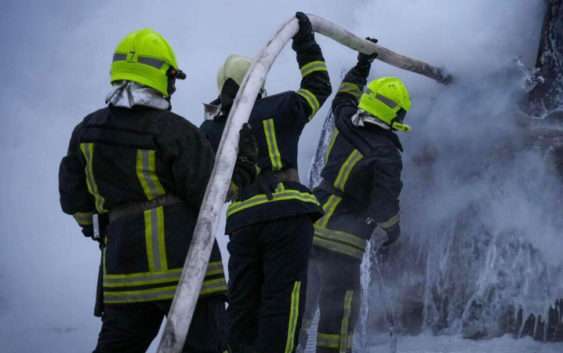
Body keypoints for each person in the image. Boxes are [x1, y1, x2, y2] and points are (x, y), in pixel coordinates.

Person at [58, 28, 257, 353]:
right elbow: (210, 194)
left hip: (123, 274)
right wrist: (245, 166)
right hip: (186, 272)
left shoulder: (86, 132)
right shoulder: (175, 131)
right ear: (161, 77)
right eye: (172, 80)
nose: (174, 88)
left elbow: (74, 200)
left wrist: (102, 228)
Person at [200, 12, 332, 353]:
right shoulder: (284, 106)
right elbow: (319, 86)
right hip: (288, 215)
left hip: (243, 220)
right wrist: (305, 42)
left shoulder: (212, 130)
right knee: (282, 302)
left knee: (242, 302)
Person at [303, 40, 411, 353]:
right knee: (340, 311)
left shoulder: (346, 120)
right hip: (343, 245)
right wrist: (393, 233)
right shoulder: (388, 155)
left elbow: (344, 95)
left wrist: (362, 65)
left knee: (301, 306)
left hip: (310, 227)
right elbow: (383, 207)